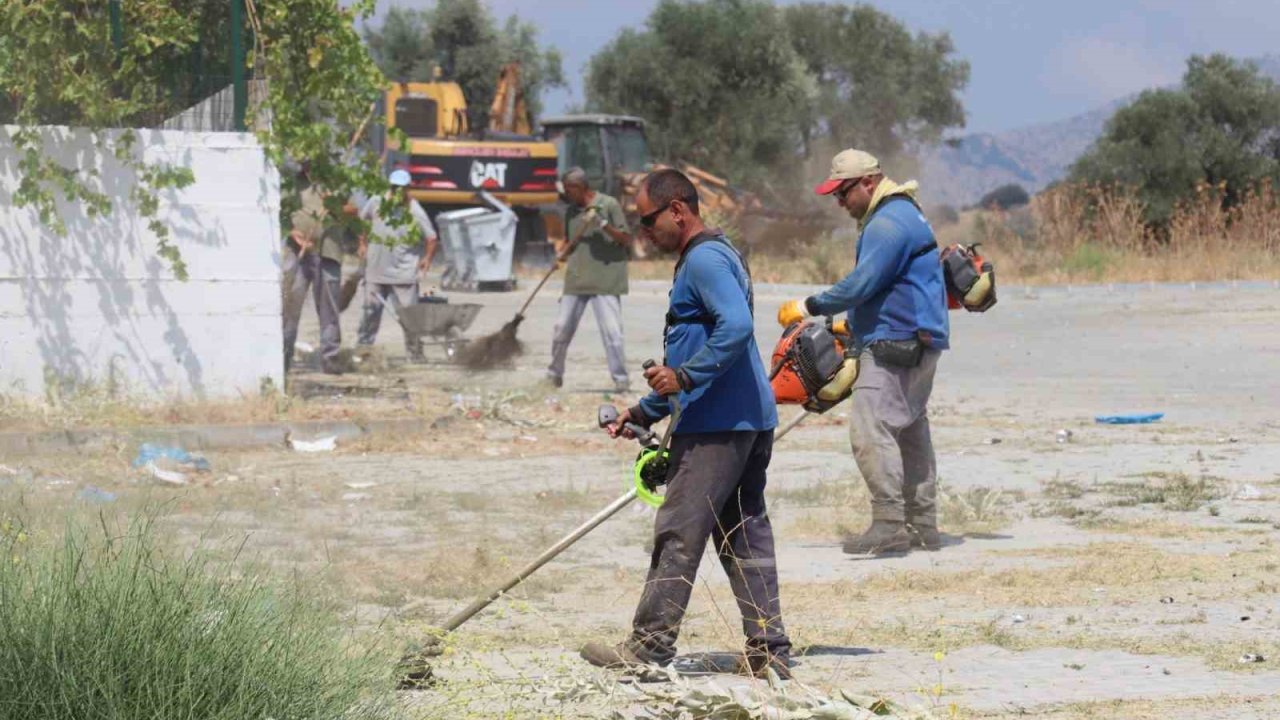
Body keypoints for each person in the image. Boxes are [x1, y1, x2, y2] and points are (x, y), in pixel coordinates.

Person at [583, 168, 791, 679]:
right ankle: (769, 651)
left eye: (648, 219)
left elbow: (736, 330)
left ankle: (649, 648)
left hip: (718, 428)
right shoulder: (714, 257)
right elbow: (701, 351)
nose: (643, 230)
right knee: (743, 535)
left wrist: (682, 375)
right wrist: (643, 409)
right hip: (744, 419)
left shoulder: (703, 260)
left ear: (678, 210)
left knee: (678, 530)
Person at [777, 149, 950, 555]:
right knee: (908, 429)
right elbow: (890, 286)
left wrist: (809, 306)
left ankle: (889, 524)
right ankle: (922, 524)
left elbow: (861, 284)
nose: (839, 202)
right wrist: (849, 325)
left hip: (896, 340)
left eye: (843, 192)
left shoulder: (886, 223)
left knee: (870, 430)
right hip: (920, 336)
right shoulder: (905, 212)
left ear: (868, 182)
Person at [546, 167, 633, 392]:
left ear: (580, 187)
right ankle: (554, 374)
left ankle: (621, 379)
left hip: (606, 280)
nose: (566, 194)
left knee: (612, 333)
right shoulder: (571, 212)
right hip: (577, 278)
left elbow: (625, 239)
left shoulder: (609, 205)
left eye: (568, 190)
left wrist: (603, 224)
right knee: (561, 328)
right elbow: (570, 240)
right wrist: (561, 255)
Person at [356, 169, 438, 360]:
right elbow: (362, 221)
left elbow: (432, 238)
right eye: (395, 188)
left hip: (403, 273)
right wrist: (362, 243)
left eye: (402, 189)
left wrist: (426, 259)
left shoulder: (414, 209)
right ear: (390, 188)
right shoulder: (376, 201)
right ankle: (362, 352)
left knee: (410, 318)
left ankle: (415, 354)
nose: (397, 192)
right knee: (370, 314)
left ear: (407, 189)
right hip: (376, 271)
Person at [282, 167, 345, 375]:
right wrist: (294, 235)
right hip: (297, 252)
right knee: (291, 305)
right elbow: (280, 212)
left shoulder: (336, 180)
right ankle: (284, 355)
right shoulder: (293, 182)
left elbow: (354, 210)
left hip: (328, 252)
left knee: (329, 309)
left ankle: (330, 358)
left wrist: (334, 202)